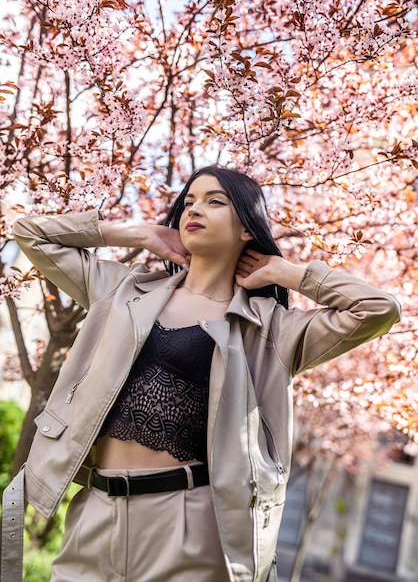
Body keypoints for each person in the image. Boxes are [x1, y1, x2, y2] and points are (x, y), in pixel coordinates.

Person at [1, 165, 400, 582]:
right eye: (189, 201)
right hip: (95, 512)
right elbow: (30, 233)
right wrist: (137, 233)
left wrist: (287, 272)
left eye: (215, 201)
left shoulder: (272, 331)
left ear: (248, 227)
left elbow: (379, 309)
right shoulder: (120, 291)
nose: (195, 209)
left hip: (189, 523)